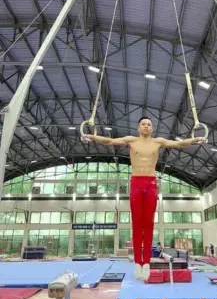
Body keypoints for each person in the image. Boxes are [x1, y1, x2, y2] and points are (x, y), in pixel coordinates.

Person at [82, 116, 205, 281]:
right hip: (136, 183)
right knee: (137, 223)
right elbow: (109, 141)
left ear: (152, 128)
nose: (146, 126)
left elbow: (178, 144)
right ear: (138, 128)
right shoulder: (131, 140)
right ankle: (137, 263)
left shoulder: (158, 142)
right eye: (143, 124)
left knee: (148, 224)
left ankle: (146, 262)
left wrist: (195, 139)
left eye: (149, 124)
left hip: (151, 184)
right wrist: (92, 136)